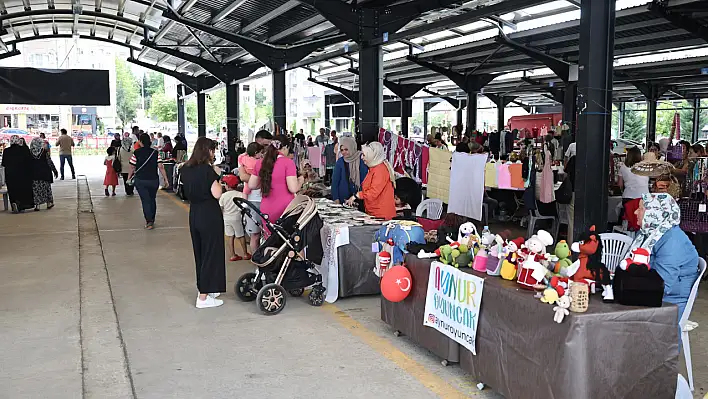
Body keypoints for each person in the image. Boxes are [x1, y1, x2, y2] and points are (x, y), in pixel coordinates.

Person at [632, 193, 700, 320]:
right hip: (654, 290)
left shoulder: (672, 240)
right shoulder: (648, 233)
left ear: (655, 213)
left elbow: (663, 283)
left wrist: (629, 287)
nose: (636, 212)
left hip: (671, 300)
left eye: (641, 209)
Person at [180, 137, 226, 309]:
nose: (214, 154)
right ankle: (204, 297)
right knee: (211, 253)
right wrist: (219, 177)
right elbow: (217, 193)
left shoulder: (186, 169)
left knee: (200, 253)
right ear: (207, 151)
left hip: (195, 213)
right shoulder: (208, 170)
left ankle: (208, 288)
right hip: (209, 214)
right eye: (213, 150)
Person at [249, 135, 302, 222]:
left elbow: (252, 185)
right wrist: (301, 180)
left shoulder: (260, 162)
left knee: (269, 234)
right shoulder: (288, 162)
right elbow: (293, 188)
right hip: (286, 208)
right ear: (285, 147)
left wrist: (266, 181)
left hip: (266, 208)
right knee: (284, 235)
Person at [345, 142, 396, 220]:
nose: (362, 157)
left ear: (373, 156)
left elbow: (373, 193)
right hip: (374, 212)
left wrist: (357, 196)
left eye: (364, 155)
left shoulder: (380, 170)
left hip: (381, 215)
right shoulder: (373, 168)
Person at [238, 141, 266, 255]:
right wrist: (258, 180)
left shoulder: (244, 159)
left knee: (261, 234)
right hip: (255, 200)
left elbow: (245, 177)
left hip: (257, 199)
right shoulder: (259, 162)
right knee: (255, 235)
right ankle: (257, 260)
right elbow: (243, 177)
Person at [128, 133, 160, 229]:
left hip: (141, 180)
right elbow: (161, 166)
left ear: (141, 142)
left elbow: (132, 166)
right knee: (152, 199)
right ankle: (152, 219)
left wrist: (129, 177)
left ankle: (149, 221)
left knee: (145, 200)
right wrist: (166, 179)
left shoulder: (137, 152)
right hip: (154, 179)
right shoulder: (155, 152)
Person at [220, 174, 250, 261]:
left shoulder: (223, 196)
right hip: (237, 218)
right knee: (240, 236)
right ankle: (245, 254)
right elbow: (245, 205)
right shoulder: (240, 194)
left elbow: (221, 207)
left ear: (228, 185)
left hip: (226, 219)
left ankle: (233, 255)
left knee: (230, 236)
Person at [2, 135, 35, 213]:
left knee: (12, 190)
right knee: (22, 190)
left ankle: (14, 203)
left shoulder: (6, 151)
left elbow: (4, 163)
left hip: (10, 175)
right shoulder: (24, 150)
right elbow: (30, 162)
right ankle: (22, 205)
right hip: (23, 174)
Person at [331, 136, 368, 204]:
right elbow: (335, 182)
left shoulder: (362, 159)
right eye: (342, 150)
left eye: (346, 149)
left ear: (352, 147)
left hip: (360, 198)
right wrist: (336, 198)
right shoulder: (340, 162)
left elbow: (365, 179)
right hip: (344, 199)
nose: (344, 152)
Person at [29, 137, 58, 211]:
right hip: (44, 173)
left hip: (34, 174)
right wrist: (54, 170)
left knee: (36, 190)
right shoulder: (44, 152)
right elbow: (49, 162)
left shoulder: (29, 153)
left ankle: (37, 205)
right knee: (46, 189)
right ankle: (49, 203)